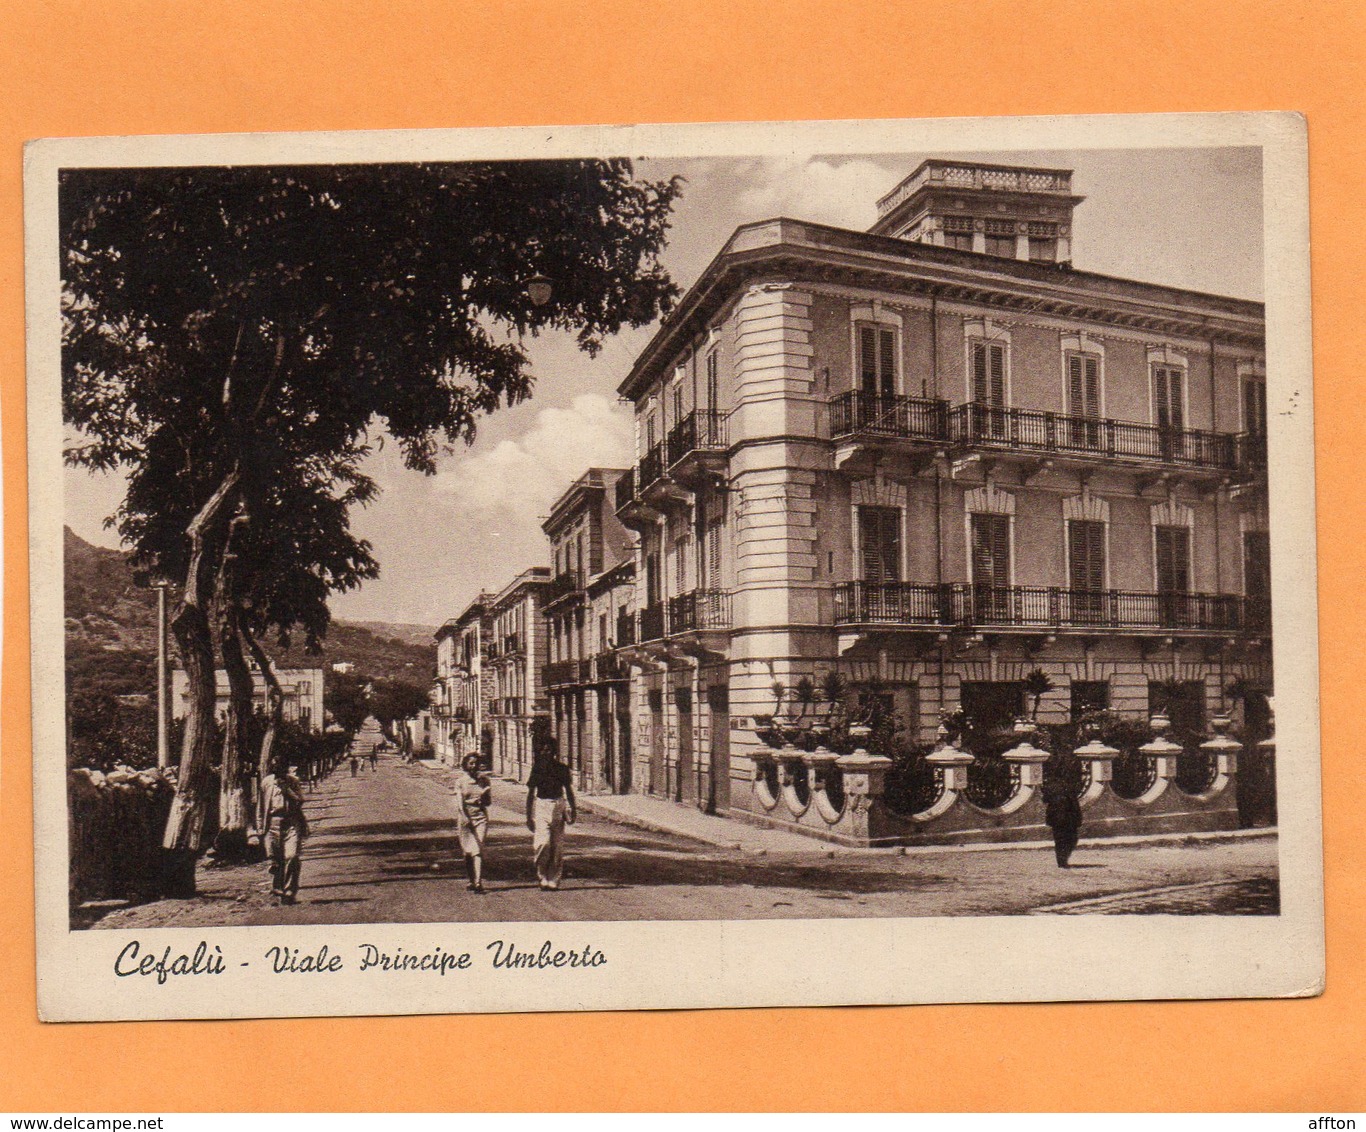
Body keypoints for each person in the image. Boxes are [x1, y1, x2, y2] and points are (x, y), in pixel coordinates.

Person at [525, 743, 576, 891]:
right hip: (542, 805)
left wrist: (573, 809)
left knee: (557, 846)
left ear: (554, 751)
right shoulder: (537, 769)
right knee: (542, 844)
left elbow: (568, 790)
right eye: (543, 749)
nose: (546, 752)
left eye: (549, 749)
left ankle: (553, 879)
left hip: (558, 805)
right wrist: (529, 816)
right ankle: (542, 875)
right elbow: (530, 793)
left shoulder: (562, 768)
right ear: (540, 752)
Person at [259, 757, 310, 904]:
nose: (278, 772)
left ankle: (289, 891)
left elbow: (300, 800)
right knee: (276, 860)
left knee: (291, 856)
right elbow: (261, 806)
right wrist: (260, 827)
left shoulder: (292, 781)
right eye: (275, 769)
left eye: (281, 769)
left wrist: (286, 789)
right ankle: (278, 887)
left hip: (291, 822)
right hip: (273, 823)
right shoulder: (266, 783)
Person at [453, 753, 492, 893]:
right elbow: (459, 802)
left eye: (476, 763)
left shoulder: (485, 781)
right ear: (465, 765)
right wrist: (464, 817)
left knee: (477, 849)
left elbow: (488, 803)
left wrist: (485, 794)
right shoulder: (460, 782)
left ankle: (478, 883)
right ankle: (471, 879)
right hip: (465, 819)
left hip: (480, 817)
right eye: (471, 763)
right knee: (468, 853)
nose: (474, 766)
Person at [1041, 748, 1084, 868]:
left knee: (1060, 838)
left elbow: (1045, 799)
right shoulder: (1068, 786)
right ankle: (1062, 859)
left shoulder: (1053, 785)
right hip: (1067, 814)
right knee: (1070, 837)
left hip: (1058, 815)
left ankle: (1061, 860)